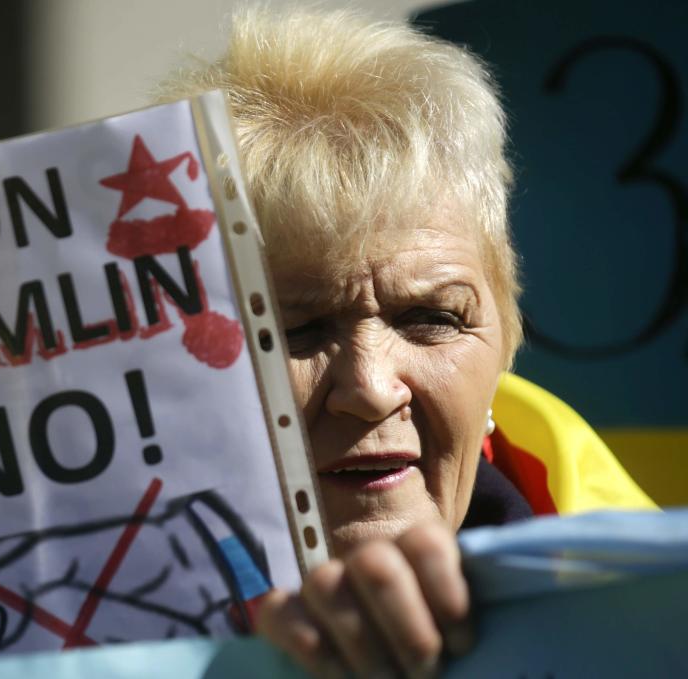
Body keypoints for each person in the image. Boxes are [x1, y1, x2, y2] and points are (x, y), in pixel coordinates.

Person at [156, 8, 652, 677]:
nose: (368, 387)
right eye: (292, 329)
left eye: (431, 317)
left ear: (505, 338)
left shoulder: (652, 622)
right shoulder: (50, 622)